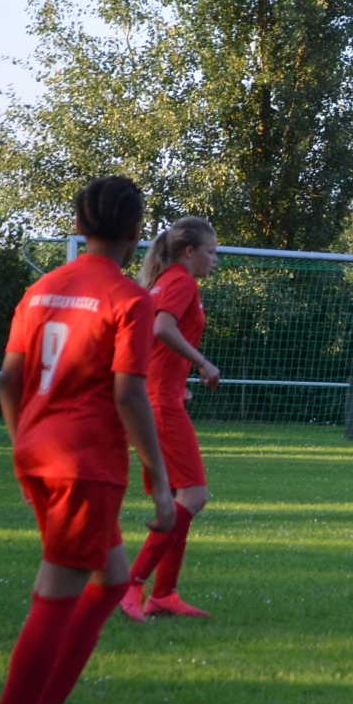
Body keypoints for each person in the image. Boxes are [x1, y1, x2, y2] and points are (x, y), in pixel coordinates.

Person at [0, 175, 176, 704]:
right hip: (84, 462)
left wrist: (23, 445)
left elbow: (10, 381)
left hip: (39, 452)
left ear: (77, 225)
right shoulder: (130, 299)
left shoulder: (42, 288)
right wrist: (160, 478)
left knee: (111, 581)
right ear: (136, 231)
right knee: (57, 596)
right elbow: (128, 393)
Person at [120, 215, 222, 621]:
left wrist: (176, 381)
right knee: (195, 496)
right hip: (160, 403)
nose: (215, 259)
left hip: (160, 396)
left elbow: (149, 339)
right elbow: (163, 328)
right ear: (189, 252)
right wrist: (202, 363)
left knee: (183, 498)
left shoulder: (164, 281)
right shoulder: (182, 281)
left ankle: (163, 594)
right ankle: (132, 584)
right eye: (211, 252)